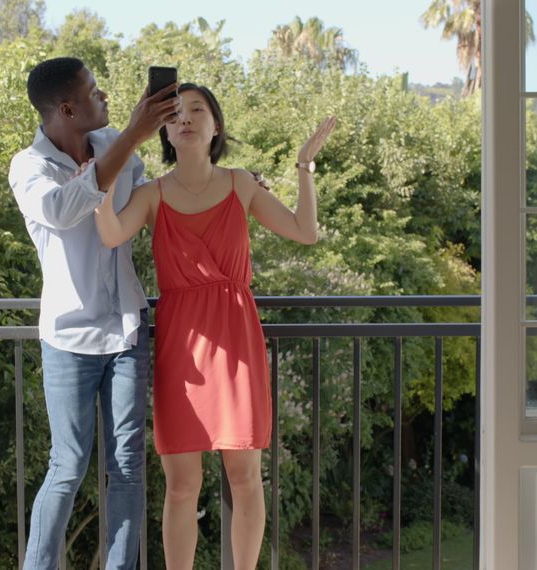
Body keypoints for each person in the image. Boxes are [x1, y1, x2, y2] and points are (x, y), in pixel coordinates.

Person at [94, 83, 336, 569]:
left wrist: (304, 166)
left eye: (197, 110)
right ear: (163, 128)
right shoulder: (151, 195)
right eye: (175, 113)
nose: (185, 118)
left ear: (216, 125)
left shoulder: (242, 184)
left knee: (245, 478)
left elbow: (305, 232)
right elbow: (110, 232)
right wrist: (98, 175)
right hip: (183, 350)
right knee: (182, 486)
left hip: (236, 343)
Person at [9, 56, 180, 570]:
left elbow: (150, 201)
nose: (104, 96)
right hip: (68, 338)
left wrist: (226, 184)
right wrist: (132, 132)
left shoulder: (116, 149)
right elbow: (65, 210)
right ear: (66, 108)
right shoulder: (29, 166)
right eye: (93, 91)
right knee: (68, 465)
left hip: (127, 328)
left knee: (128, 466)